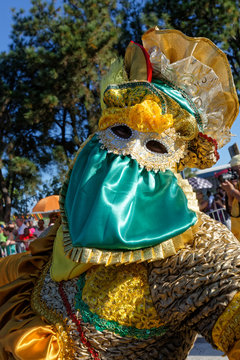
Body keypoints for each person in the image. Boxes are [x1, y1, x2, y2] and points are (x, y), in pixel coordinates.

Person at [1, 28, 240, 360]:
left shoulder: (196, 250)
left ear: (176, 163)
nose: (128, 152)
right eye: (120, 131)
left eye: (155, 146)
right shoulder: (60, 237)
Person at [221, 154, 240, 239]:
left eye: (237, 169)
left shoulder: (234, 188)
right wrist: (229, 192)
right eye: (233, 170)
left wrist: (232, 191)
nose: (236, 172)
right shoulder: (236, 185)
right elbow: (230, 209)